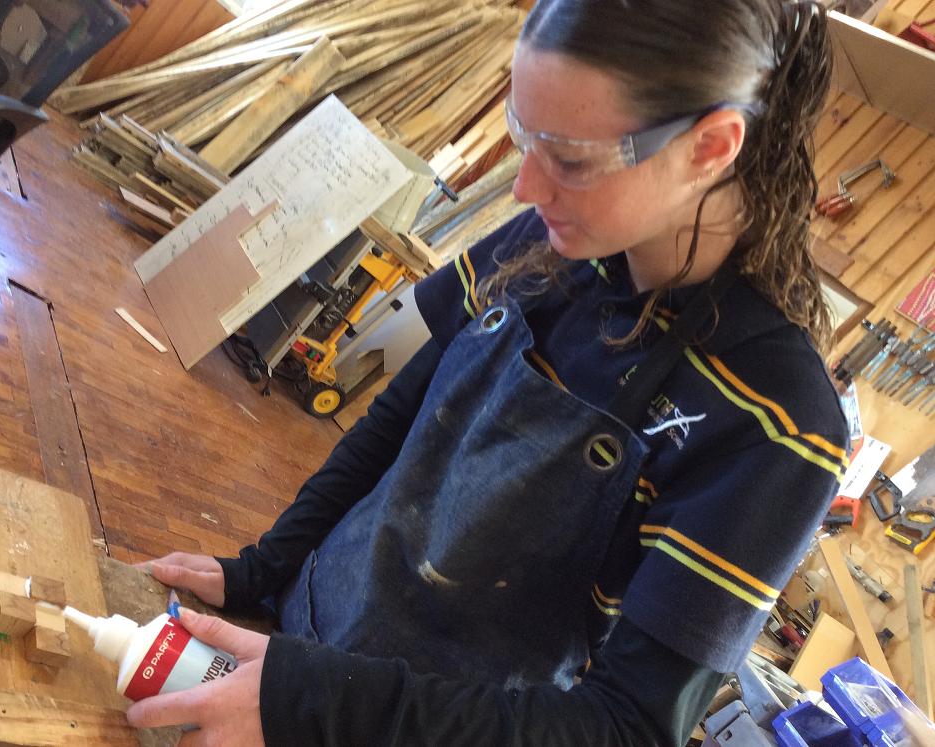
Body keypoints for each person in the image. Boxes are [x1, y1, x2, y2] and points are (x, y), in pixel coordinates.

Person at [127, 0, 850, 744]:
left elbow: (625, 726)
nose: (525, 188)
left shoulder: (776, 426)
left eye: (570, 159)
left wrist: (318, 700)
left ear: (710, 147)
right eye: (522, 135)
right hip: (298, 644)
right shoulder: (554, 239)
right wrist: (265, 568)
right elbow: (398, 423)